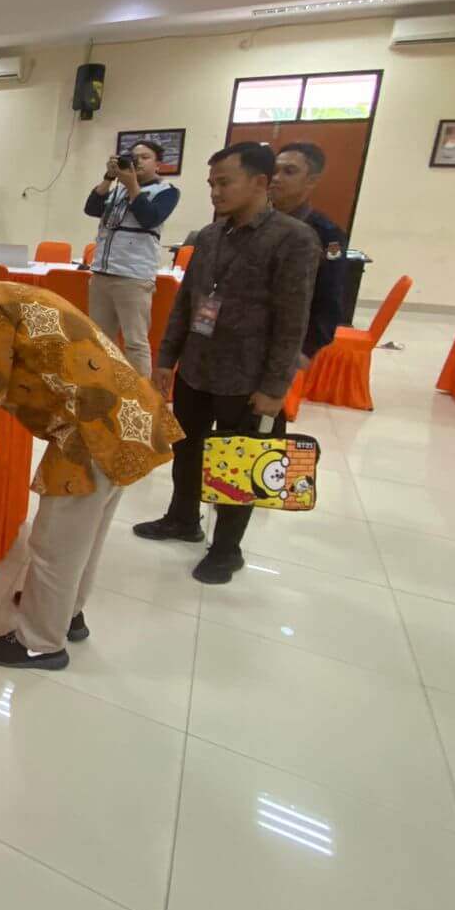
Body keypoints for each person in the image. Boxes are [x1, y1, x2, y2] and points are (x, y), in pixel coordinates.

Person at [0, 257, 181, 669]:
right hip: (121, 415)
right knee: (86, 533)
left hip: (92, 431)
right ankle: (66, 613)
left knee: (55, 543)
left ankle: (40, 642)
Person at [136, 142, 321, 584]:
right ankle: (182, 519)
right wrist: (167, 358)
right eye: (212, 184)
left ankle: (226, 548)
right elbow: (187, 301)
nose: (215, 192)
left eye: (224, 183)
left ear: (260, 183)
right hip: (199, 368)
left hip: (248, 377)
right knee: (187, 448)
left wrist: (276, 387)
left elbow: (293, 321)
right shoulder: (210, 235)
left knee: (239, 463)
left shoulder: (294, 240)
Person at [83, 139, 179, 376]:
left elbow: (150, 218)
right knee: (100, 338)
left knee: (135, 342)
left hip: (133, 277)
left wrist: (133, 185)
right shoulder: (117, 190)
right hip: (102, 273)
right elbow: (91, 208)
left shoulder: (166, 191)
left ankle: (139, 396)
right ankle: (106, 385)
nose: (138, 161)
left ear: (158, 164)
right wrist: (109, 176)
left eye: (145, 157)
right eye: (134, 157)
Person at [269, 142, 349, 367]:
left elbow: (330, 295)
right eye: (274, 170)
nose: (276, 178)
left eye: (289, 171)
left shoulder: (327, 234)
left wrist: (308, 348)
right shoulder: (256, 221)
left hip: (288, 339)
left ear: (312, 180)